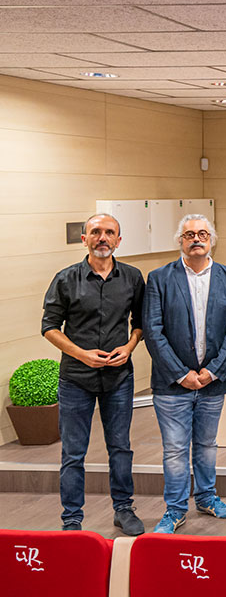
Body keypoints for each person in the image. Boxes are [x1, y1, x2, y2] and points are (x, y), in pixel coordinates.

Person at [40, 213, 146, 535]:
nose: (102, 237)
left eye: (109, 232)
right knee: (73, 452)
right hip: (75, 380)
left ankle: (123, 509)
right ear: (84, 238)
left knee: (120, 447)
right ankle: (72, 519)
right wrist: (81, 355)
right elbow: (49, 327)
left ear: (118, 240)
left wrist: (129, 347)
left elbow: (140, 323)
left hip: (118, 378)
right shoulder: (65, 278)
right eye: (95, 232)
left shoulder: (132, 277)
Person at [142, 214, 226, 534]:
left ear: (212, 239)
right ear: (180, 241)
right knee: (174, 449)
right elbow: (153, 330)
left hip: (213, 383)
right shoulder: (159, 278)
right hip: (172, 385)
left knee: (207, 445)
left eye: (202, 233)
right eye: (189, 235)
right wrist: (180, 373)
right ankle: (174, 509)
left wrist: (213, 372)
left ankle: (207, 497)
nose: (196, 239)